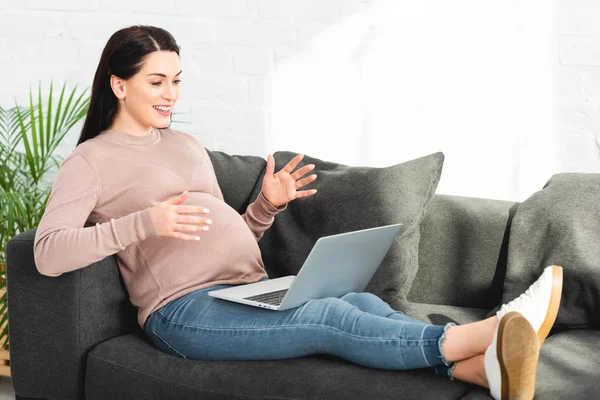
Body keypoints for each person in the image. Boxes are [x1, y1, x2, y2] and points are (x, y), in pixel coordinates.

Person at [33, 25, 563, 400]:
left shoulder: (186, 146)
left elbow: (229, 236)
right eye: (156, 82)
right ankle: (494, 330)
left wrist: (266, 206)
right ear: (118, 84)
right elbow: (48, 253)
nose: (170, 94)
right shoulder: (91, 161)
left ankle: (485, 373)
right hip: (183, 313)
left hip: (242, 290)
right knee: (329, 318)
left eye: (176, 80)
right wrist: (143, 223)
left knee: (355, 299)